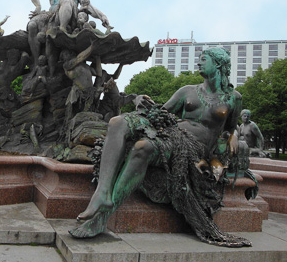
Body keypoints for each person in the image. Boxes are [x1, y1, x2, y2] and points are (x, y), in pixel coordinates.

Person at [70, 47, 252, 247]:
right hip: (170, 134)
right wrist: (138, 99)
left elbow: (231, 127)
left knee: (142, 148)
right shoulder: (187, 91)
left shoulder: (233, 97)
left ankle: (102, 216)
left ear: (218, 64)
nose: (199, 62)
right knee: (116, 122)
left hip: (194, 148)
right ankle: (102, 194)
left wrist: (234, 135)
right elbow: (160, 112)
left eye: (204, 59)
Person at [27, 0, 110, 73]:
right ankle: (36, 62)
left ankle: (62, 29)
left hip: (72, 17)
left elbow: (89, 7)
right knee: (31, 25)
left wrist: (102, 16)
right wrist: (38, 6)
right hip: (51, 14)